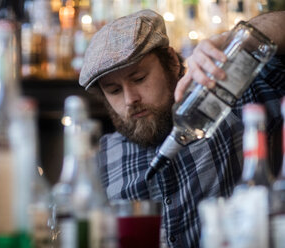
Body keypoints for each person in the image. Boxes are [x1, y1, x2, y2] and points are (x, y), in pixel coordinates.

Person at [78, 9, 285, 248]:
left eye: (139, 78)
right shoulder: (98, 160)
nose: (129, 99)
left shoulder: (232, 103)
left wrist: (237, 39)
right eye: (114, 90)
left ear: (172, 62)